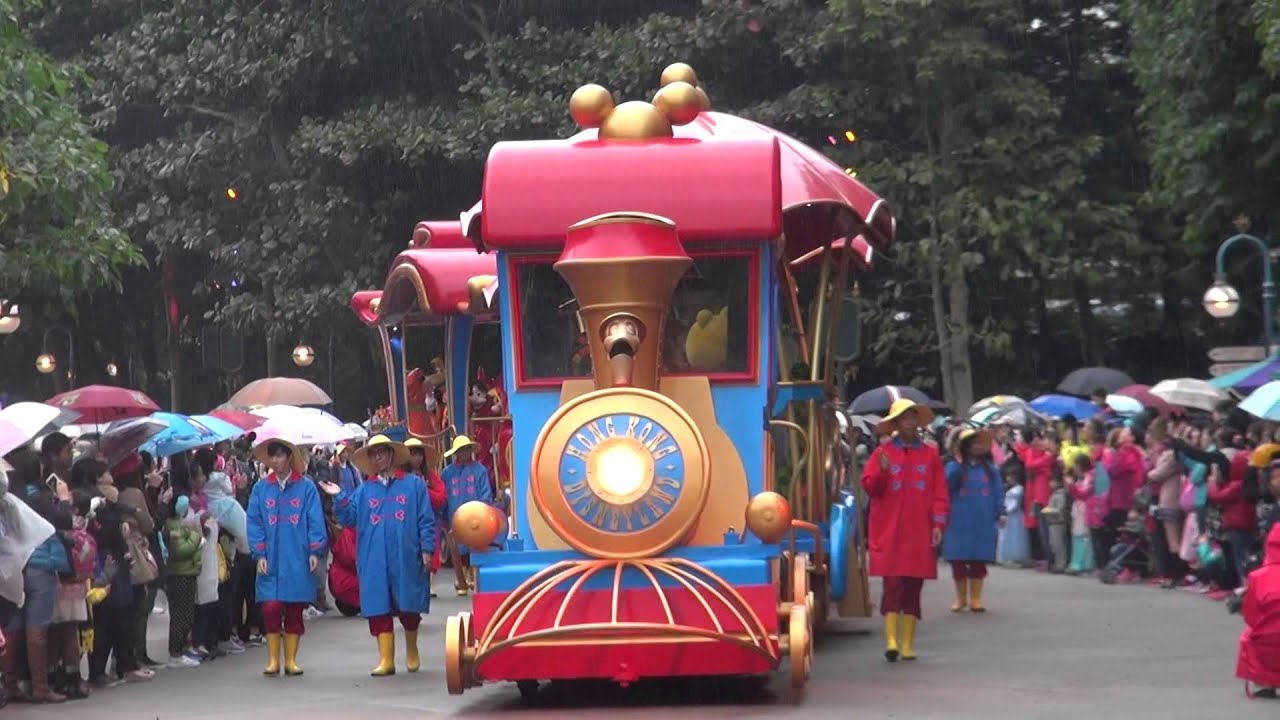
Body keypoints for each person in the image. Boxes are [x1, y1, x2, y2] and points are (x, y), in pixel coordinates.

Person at [320, 435, 436, 676]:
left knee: (408, 606)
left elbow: (426, 519)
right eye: (373, 454)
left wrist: (426, 549)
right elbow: (349, 517)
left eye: (381, 452)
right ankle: (386, 659)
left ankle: (412, 649)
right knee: (379, 606)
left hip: (406, 555)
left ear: (392, 454)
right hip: (374, 557)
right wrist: (339, 496)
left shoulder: (414, 485)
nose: (378, 457)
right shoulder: (365, 491)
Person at [862, 399, 949, 662]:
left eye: (913, 417)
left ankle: (908, 644)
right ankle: (891, 641)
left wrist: (938, 524)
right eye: (904, 418)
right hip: (890, 530)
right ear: (896, 424)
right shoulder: (882, 454)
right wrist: (883, 474)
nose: (910, 422)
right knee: (892, 585)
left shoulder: (931, 454)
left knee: (913, 585)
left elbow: (940, 494)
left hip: (919, 531)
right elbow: (869, 487)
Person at [247, 436, 328, 677]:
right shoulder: (261, 489)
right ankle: (273, 659)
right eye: (272, 456)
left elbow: (315, 520)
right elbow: (254, 522)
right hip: (270, 558)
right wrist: (259, 551)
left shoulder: (306, 488)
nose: (275, 460)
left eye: (280, 455)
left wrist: (315, 550)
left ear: (289, 458)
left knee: (294, 608)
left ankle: (291, 660)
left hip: (297, 556)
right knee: (271, 607)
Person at [941, 428, 1004, 613]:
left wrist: (1000, 511)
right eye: (972, 443)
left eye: (979, 443)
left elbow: (998, 492)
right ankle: (961, 598)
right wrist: (957, 466)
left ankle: (976, 598)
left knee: (979, 559)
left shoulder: (990, 470)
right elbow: (946, 486)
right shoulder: (953, 467)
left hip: (982, 519)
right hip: (958, 519)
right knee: (958, 560)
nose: (976, 447)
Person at [440, 435, 494, 596]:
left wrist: (485, 508)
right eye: (461, 450)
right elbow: (444, 495)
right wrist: (443, 515)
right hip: (454, 514)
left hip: (475, 515)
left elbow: (485, 492)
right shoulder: (447, 473)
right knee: (457, 547)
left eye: (466, 449)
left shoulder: (480, 470)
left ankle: (473, 576)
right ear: (456, 453)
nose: (464, 453)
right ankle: (461, 578)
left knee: (475, 544)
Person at [1237, 523, 1280, 699]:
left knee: (1248, 637)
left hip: (1268, 637)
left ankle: (1268, 682)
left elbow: (1250, 615)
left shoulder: (1258, 576)